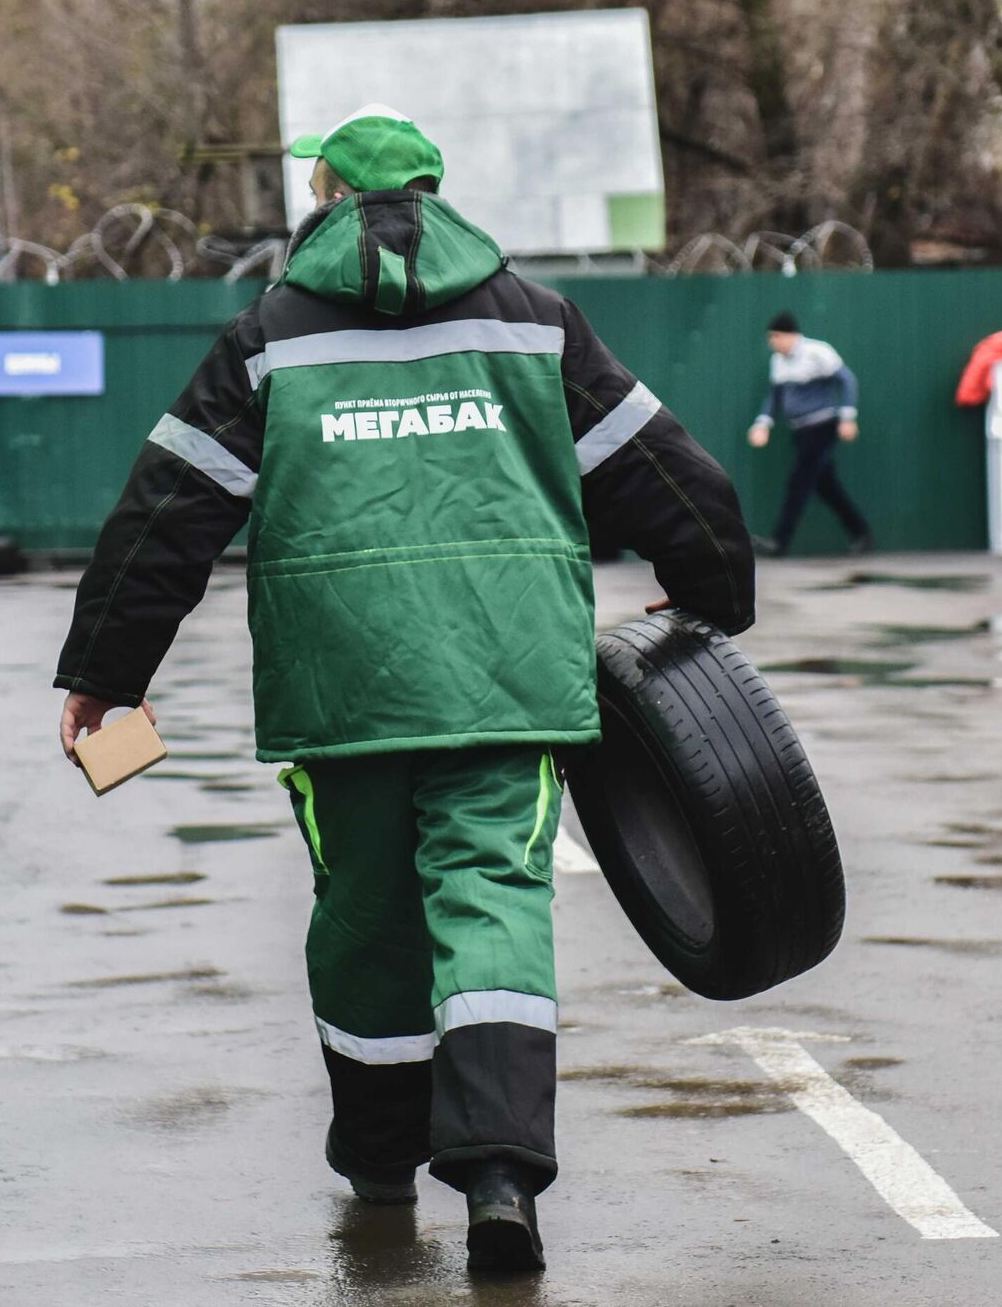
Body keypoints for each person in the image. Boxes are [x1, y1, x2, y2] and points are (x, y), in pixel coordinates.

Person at [53, 105, 754, 1273]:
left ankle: (381, 1159)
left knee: (369, 918)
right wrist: (708, 601)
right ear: (438, 192)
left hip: (345, 697)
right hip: (507, 683)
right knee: (490, 898)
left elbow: (168, 513)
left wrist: (103, 675)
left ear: (323, 197)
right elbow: (667, 473)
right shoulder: (538, 323)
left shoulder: (268, 337)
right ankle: (496, 1176)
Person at [747, 311, 872, 557]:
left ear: (790, 335)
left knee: (798, 482)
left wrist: (848, 417)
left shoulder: (818, 352)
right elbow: (775, 397)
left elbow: (847, 380)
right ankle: (861, 533)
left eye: (775, 337)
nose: (772, 342)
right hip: (800, 431)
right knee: (827, 487)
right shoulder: (778, 361)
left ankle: (779, 541)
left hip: (821, 427)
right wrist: (763, 423)